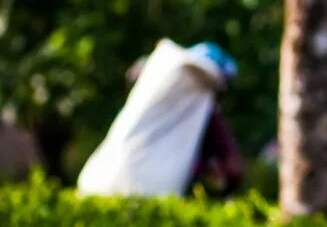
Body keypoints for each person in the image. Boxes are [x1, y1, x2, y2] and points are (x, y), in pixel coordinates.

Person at [78, 40, 244, 199]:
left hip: (98, 179)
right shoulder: (203, 107)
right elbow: (232, 167)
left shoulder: (148, 96)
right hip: (152, 196)